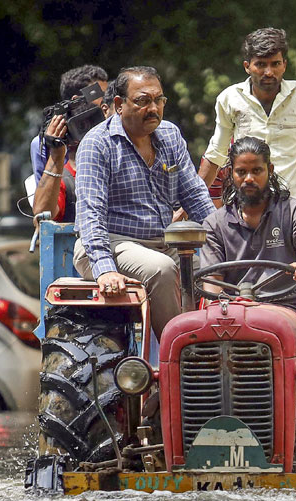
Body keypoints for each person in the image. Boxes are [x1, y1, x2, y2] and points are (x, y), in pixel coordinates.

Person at [74, 66, 215, 340]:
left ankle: (223, 348)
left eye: (158, 100)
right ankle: (182, 356)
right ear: (118, 104)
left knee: (220, 269)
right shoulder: (97, 144)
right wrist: (104, 270)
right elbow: (91, 216)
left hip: (163, 244)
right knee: (160, 270)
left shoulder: (170, 135)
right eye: (142, 101)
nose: (153, 108)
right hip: (109, 244)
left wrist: (224, 242)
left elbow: (196, 196)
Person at [199, 28, 296, 198]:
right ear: (247, 66)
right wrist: (187, 206)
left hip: (289, 206)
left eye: (275, 64)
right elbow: (216, 154)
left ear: (284, 64)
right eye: (261, 64)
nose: (269, 72)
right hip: (245, 206)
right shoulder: (230, 99)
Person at [201, 137, 296, 317]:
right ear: (230, 174)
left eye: (257, 171)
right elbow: (213, 287)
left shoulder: (295, 212)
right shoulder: (214, 223)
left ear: (269, 170)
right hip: (233, 314)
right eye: (241, 172)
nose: (249, 179)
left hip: (285, 311)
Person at [31, 65, 109, 223]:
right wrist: (56, 153)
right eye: (100, 95)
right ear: (76, 100)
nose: (106, 102)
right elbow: (45, 211)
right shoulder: (47, 142)